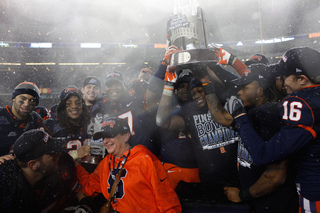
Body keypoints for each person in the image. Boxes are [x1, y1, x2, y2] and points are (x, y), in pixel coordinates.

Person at [230, 47, 320, 212]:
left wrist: (240, 116)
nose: (282, 81)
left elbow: (264, 155)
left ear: (302, 79)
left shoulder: (302, 103)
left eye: (286, 77)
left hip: (315, 195)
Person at [218, 64, 298, 212]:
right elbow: (222, 118)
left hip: (275, 205)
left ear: (260, 90)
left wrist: (242, 195)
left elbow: (275, 176)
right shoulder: (255, 112)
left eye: (245, 88)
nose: (239, 92)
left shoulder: (270, 114)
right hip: (261, 202)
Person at [156, 68, 240, 204]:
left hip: (239, 177)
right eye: (193, 93)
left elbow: (237, 84)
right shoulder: (190, 110)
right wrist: (168, 86)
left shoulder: (227, 103)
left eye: (200, 91)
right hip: (211, 183)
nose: (196, 96)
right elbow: (162, 122)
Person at [76, 117, 182, 212]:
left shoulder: (144, 158)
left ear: (126, 136)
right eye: (103, 137)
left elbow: (168, 204)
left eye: (110, 135)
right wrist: (75, 165)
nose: (105, 141)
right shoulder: (105, 163)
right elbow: (88, 187)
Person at [0, 129, 91, 212]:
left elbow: (78, 190)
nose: (58, 154)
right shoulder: (7, 188)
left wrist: (85, 206)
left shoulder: (63, 162)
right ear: (33, 165)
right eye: (52, 153)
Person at [90, 71, 159, 155]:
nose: (113, 87)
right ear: (104, 89)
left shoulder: (136, 101)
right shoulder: (100, 108)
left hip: (143, 158)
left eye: (117, 84)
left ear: (125, 86)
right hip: (118, 160)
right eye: (109, 85)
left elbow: (152, 97)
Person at [42, 85, 91, 160]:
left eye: (78, 103)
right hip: (63, 171)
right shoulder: (51, 126)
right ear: (62, 107)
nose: (74, 106)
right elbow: (44, 159)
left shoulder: (90, 123)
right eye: (69, 103)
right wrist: (75, 154)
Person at [0, 82, 44, 156]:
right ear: (14, 98)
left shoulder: (36, 119)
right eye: (22, 99)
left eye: (32, 100)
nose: (26, 104)